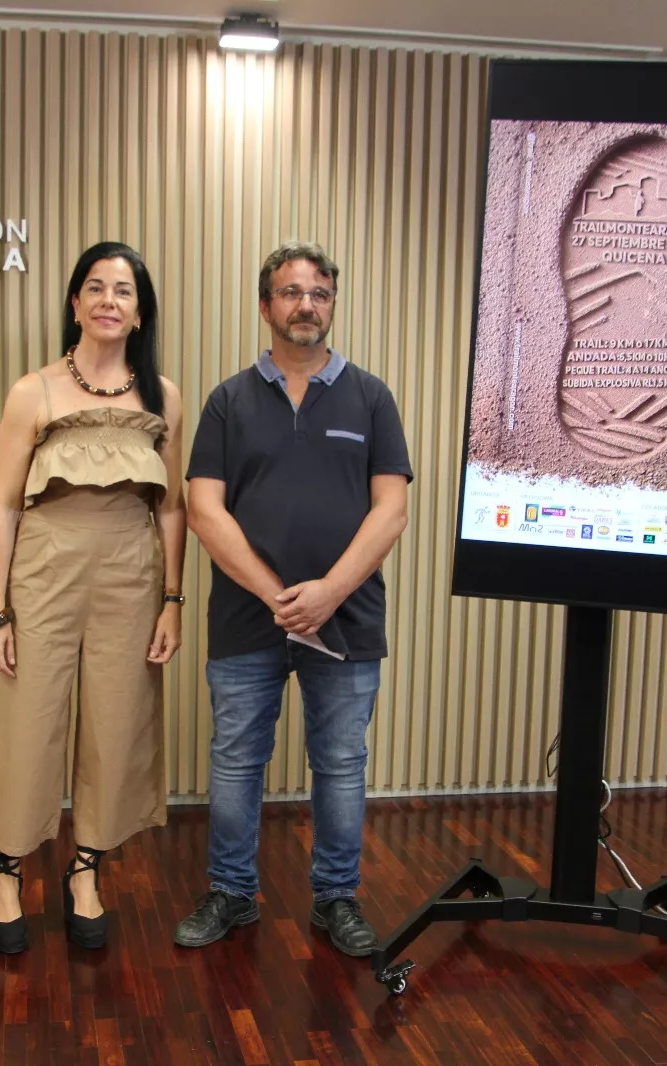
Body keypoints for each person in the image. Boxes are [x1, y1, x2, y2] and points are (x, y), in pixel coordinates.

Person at [173, 240, 411, 957]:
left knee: (340, 763)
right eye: (291, 292)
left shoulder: (370, 397)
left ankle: (336, 899)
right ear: (265, 304)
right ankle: (232, 893)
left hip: (347, 621)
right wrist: (281, 595)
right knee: (237, 759)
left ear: (331, 305)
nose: (305, 305)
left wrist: (328, 593)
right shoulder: (228, 401)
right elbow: (203, 510)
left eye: (319, 293)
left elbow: (391, 510)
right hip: (249, 616)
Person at [0, 241, 186, 954]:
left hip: (131, 574)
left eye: (123, 291)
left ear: (139, 310)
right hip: (45, 571)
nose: (108, 301)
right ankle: (8, 872)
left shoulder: (163, 396)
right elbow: (2, 506)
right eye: (95, 287)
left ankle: (86, 869)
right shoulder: (33, 391)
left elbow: (173, 509)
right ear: (74, 302)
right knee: (26, 721)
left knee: (115, 724)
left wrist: (172, 599)